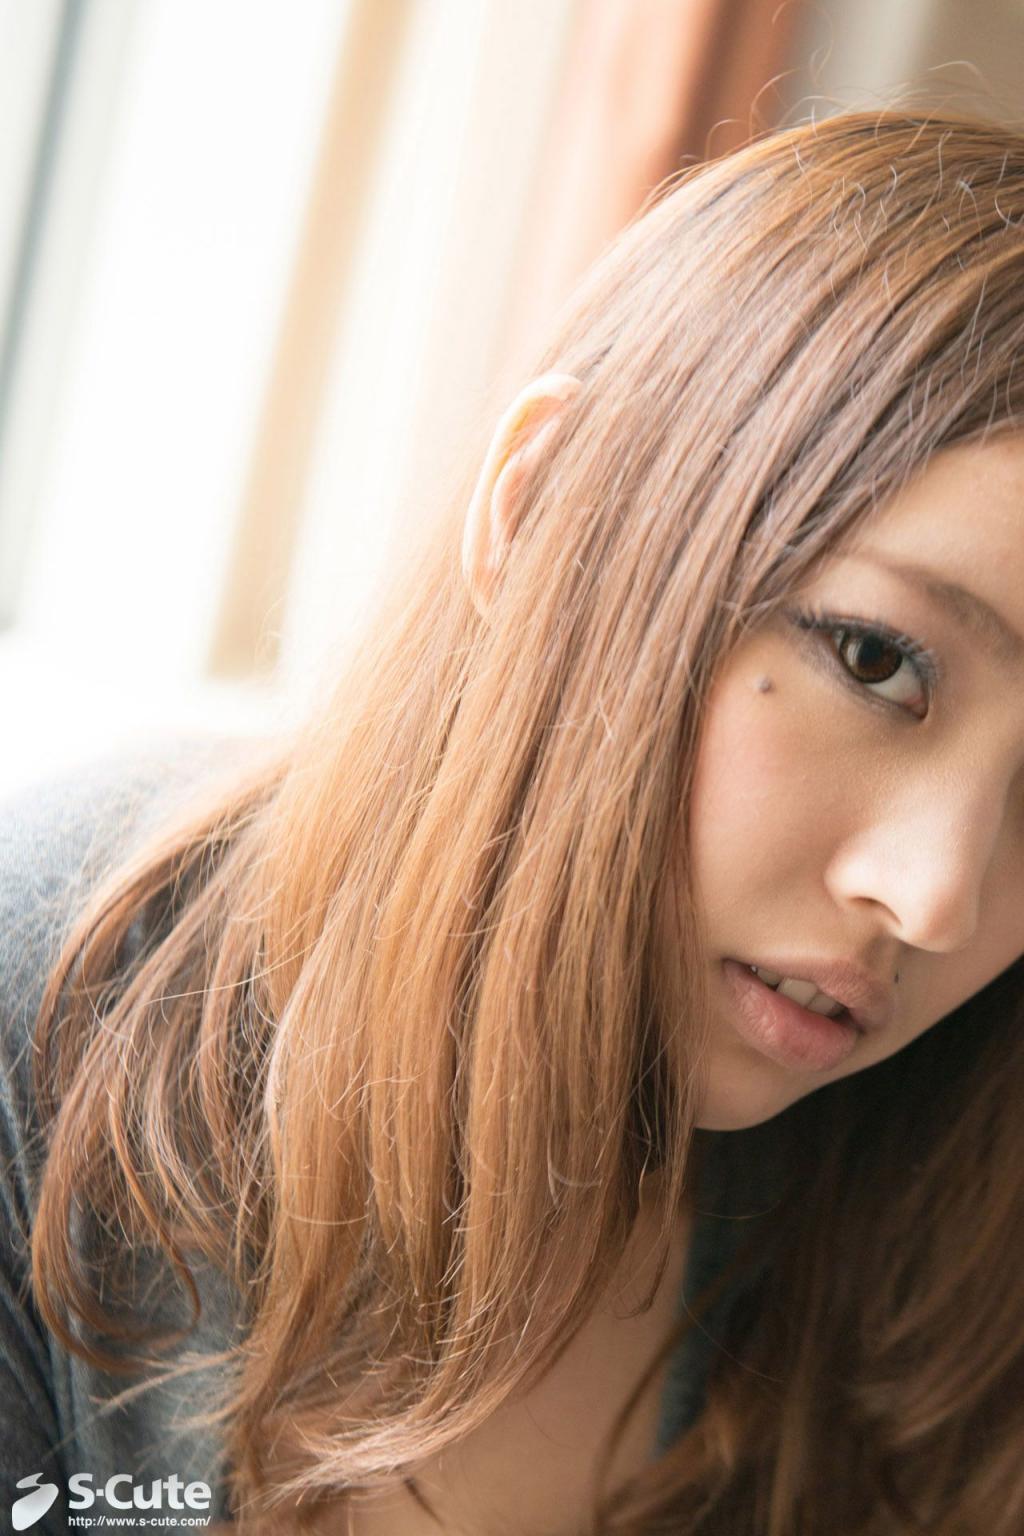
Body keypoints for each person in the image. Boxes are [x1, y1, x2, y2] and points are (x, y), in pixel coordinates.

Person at [3, 106, 1024, 1536]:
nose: (939, 898)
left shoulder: (959, 1229)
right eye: (875, 659)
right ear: (542, 505)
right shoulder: (49, 1027)